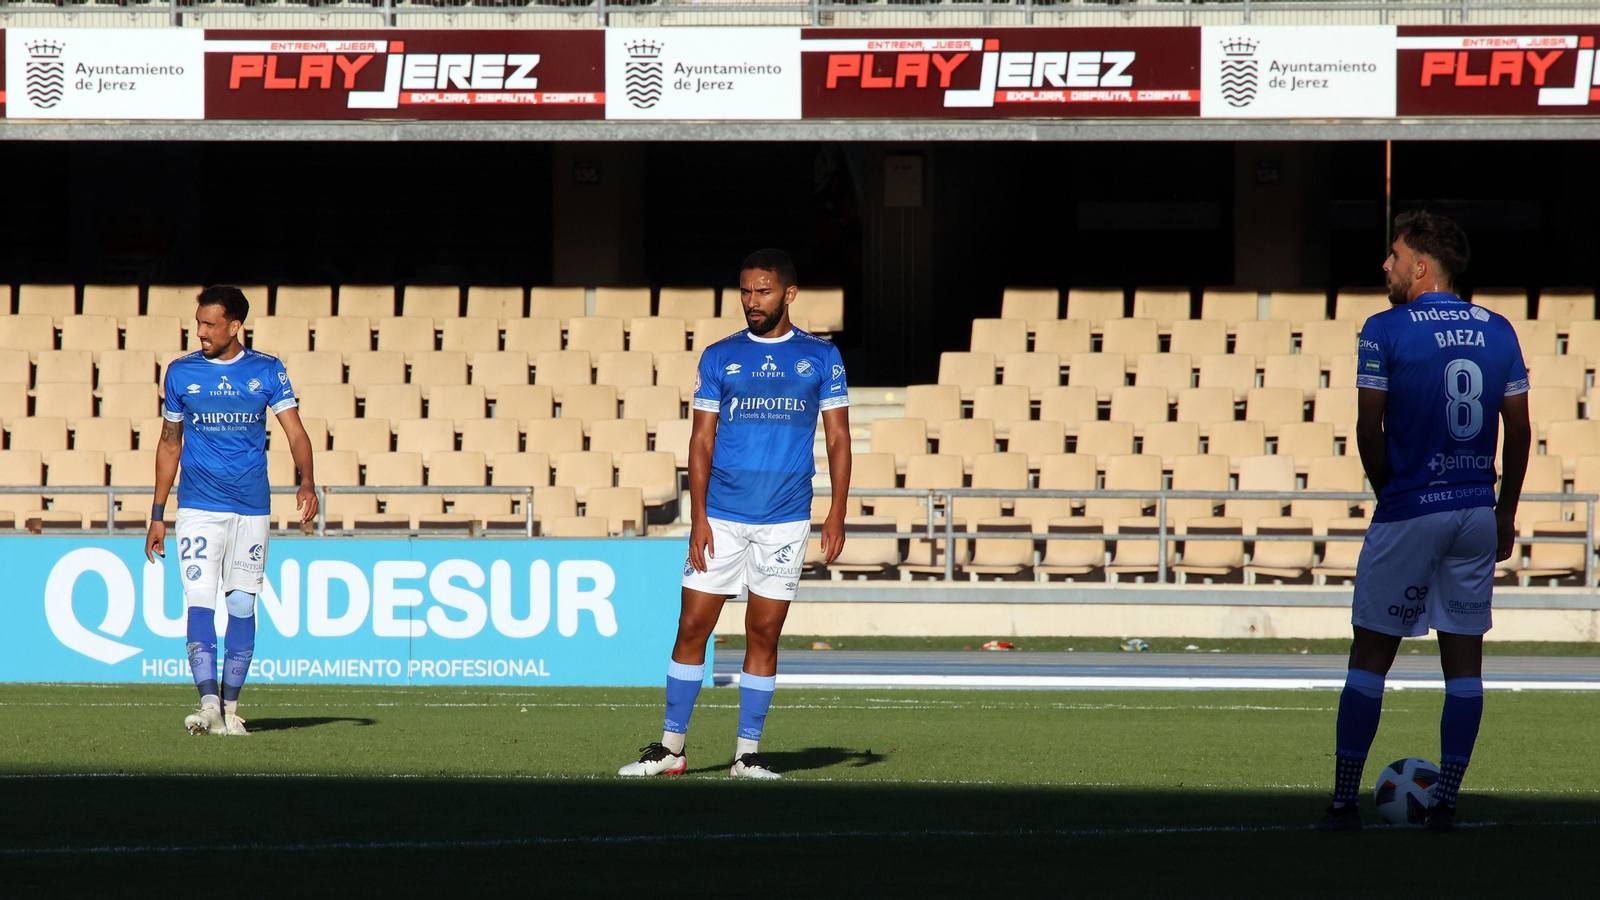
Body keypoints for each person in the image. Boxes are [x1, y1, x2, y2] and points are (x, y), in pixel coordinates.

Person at [1316, 212, 1530, 832]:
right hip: (1474, 510)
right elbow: (1517, 429)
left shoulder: (1385, 328)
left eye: (1393, 255)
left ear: (1419, 266)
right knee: (1464, 663)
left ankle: (1341, 801)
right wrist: (1506, 510)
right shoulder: (1499, 329)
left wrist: (1392, 494)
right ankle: (1446, 802)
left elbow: (1367, 426)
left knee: (1370, 655)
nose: (1385, 265)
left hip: (1412, 506)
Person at [618, 249, 852, 780]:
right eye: (745, 291)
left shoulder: (821, 358)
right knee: (691, 627)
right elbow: (700, 441)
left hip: (787, 518)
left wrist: (836, 512)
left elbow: (837, 438)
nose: (752, 301)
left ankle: (747, 754)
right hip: (721, 516)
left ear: (789, 294)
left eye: (763, 291)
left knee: (763, 634)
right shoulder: (719, 356)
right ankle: (671, 749)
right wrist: (698, 517)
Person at [145, 285, 319, 737]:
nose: (199, 331)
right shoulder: (181, 374)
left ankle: (229, 709)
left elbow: (296, 433)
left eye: (209, 324)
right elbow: (169, 443)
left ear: (235, 325)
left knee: (242, 603)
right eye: (197, 322)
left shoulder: (267, 370)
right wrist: (158, 512)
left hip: (251, 507)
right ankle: (207, 705)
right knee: (199, 598)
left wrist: (307, 481)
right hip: (199, 506)